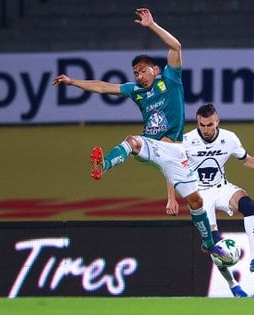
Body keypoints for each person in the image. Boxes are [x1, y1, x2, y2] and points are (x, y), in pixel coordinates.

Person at [52, 9, 230, 263]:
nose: (139, 75)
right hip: (153, 145)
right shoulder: (136, 91)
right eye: (136, 72)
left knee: (195, 200)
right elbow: (103, 87)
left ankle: (208, 243)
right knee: (132, 141)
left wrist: (152, 25)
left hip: (175, 152)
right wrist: (72, 82)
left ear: (155, 69)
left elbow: (177, 46)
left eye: (143, 70)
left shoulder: (170, 78)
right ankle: (103, 165)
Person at [166, 104, 254, 295]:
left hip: (221, 187)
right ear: (197, 122)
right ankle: (233, 285)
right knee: (215, 246)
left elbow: (246, 159)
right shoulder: (187, 141)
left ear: (217, 121)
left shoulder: (229, 138)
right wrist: (171, 198)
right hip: (199, 195)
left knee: (248, 204)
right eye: (202, 125)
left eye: (209, 124)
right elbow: (170, 167)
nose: (206, 129)